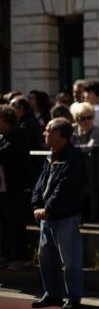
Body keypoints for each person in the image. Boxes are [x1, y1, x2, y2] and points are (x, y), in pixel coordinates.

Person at [31, 118, 84, 309]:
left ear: (60, 135)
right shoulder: (51, 155)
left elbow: (66, 188)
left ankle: (74, 298)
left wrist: (48, 208)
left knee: (70, 261)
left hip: (65, 216)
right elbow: (40, 184)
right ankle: (52, 294)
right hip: (47, 217)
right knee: (46, 258)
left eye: (48, 131)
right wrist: (37, 204)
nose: (44, 134)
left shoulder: (73, 158)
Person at [0, 105, 31, 270]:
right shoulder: (5, 137)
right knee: (5, 224)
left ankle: (20, 257)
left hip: (15, 189)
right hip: (5, 189)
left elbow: (6, 154)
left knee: (15, 223)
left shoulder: (17, 135)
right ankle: (7, 255)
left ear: (5, 120)